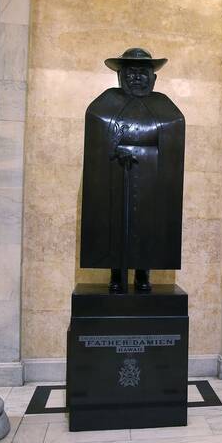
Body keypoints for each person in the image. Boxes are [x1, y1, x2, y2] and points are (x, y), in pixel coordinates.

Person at [80, 48, 185, 292]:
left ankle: (142, 274)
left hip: (151, 181)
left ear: (154, 78)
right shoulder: (105, 103)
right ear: (120, 77)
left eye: (143, 73)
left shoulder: (165, 106)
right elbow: (97, 139)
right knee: (115, 225)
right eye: (131, 73)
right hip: (115, 177)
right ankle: (116, 274)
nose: (137, 77)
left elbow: (173, 139)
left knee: (148, 226)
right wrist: (115, 150)